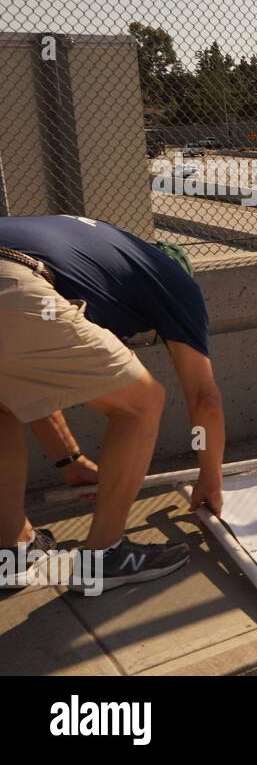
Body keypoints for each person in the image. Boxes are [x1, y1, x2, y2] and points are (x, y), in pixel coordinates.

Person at [0, 215, 226, 593]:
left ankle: (12, 552)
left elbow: (31, 376)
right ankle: (104, 556)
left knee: (3, 407)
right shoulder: (174, 283)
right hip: (14, 283)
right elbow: (206, 400)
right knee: (141, 403)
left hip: (14, 283)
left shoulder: (98, 254)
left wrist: (71, 463)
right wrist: (211, 477)